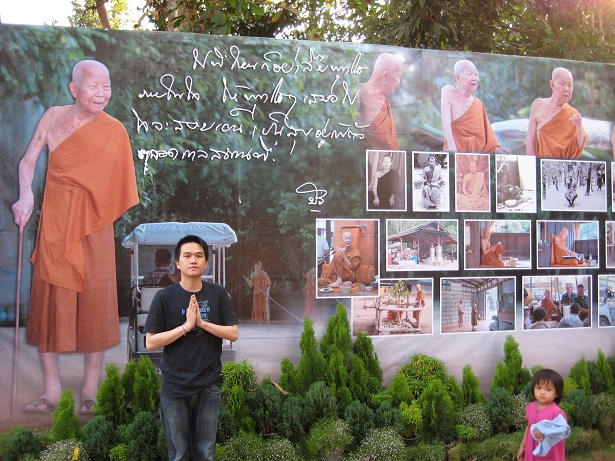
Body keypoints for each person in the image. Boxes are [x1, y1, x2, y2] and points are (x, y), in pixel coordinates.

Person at [11, 60, 139, 414]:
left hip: (94, 222)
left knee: (95, 300)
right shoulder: (54, 117)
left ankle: (90, 389)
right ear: (74, 89)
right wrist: (26, 196)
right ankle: (51, 389)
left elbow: (118, 184)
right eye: (94, 86)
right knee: (50, 299)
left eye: (106, 86)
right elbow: (28, 161)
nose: (101, 93)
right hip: (56, 219)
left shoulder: (114, 130)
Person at [145, 234, 239, 461]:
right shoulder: (164, 297)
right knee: (178, 453)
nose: (193, 260)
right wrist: (186, 326)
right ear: (177, 263)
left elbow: (233, 333)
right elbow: (151, 342)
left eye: (199, 256)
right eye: (187, 256)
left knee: (206, 452)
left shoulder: (218, 293)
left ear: (206, 262)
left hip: (209, 384)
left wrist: (203, 324)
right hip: (175, 385)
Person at [441, 60, 509, 154]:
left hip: (477, 157)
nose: (474, 78)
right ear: (457, 77)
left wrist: (496, 150)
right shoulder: (449, 91)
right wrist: (452, 147)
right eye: (469, 74)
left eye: (476, 75)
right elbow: (445, 119)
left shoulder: (478, 104)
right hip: (455, 153)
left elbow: (488, 138)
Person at [526, 67, 588, 158]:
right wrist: (534, 163)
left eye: (570, 85)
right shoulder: (538, 105)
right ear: (552, 84)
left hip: (561, 165)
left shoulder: (572, 114)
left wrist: (578, 126)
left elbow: (579, 145)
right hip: (540, 163)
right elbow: (530, 140)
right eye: (562, 84)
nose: (567, 89)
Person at [517, 369, 569, 461]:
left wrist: (545, 435)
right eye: (539, 388)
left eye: (548, 389)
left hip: (549, 454)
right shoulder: (531, 407)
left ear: (556, 393)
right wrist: (522, 446)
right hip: (531, 449)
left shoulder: (556, 413)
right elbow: (529, 427)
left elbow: (561, 433)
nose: (542, 392)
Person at [359, 53, 403, 150]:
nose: (399, 81)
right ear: (385, 75)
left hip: (389, 158)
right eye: (398, 76)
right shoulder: (358, 94)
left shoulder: (384, 100)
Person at [246, 260, 272, 328]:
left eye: (259, 267)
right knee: (257, 309)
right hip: (256, 294)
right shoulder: (252, 274)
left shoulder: (264, 274)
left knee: (265, 309)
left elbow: (268, 284)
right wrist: (248, 281)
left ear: (261, 266)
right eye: (257, 267)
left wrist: (267, 292)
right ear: (254, 267)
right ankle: (258, 326)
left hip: (264, 293)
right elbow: (251, 286)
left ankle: (268, 326)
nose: (258, 268)